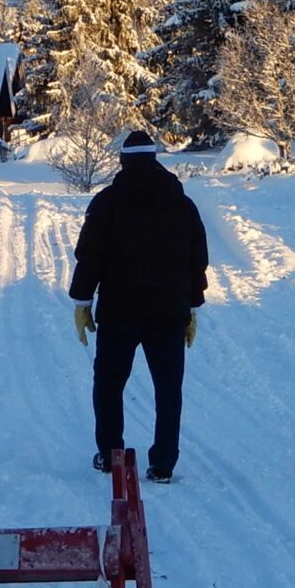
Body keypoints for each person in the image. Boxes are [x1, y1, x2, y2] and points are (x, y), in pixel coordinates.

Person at [68, 130, 209, 483]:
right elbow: (196, 260)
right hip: (169, 313)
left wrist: (82, 301)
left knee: (109, 382)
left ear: (123, 161)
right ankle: (163, 464)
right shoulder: (183, 205)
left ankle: (112, 454)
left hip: (120, 311)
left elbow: (90, 257)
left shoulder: (106, 203)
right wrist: (193, 305)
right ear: (155, 159)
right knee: (168, 387)